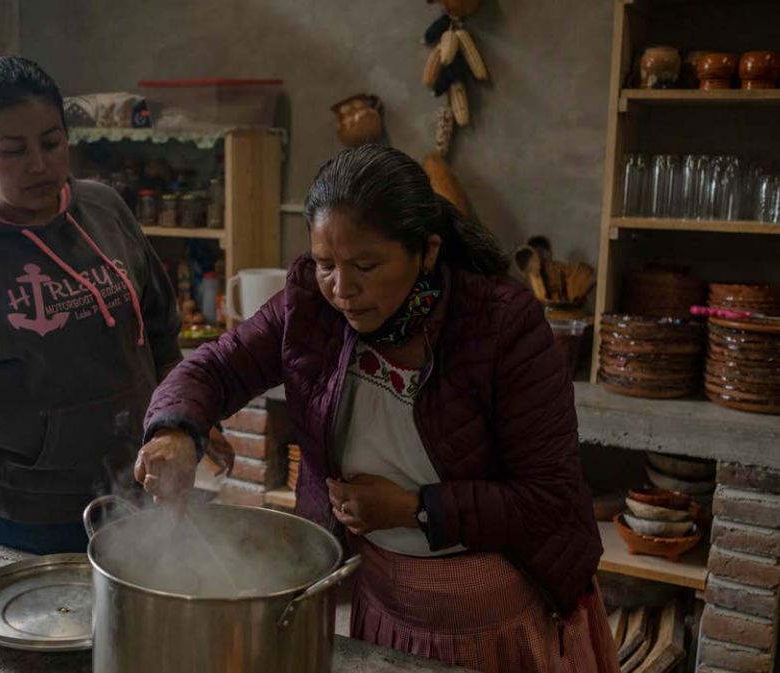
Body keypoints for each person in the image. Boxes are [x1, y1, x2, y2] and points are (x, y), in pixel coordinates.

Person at [135, 146, 620, 671]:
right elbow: (214, 367)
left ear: (427, 251)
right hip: (385, 604)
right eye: (326, 264)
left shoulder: (502, 324)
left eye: (366, 265)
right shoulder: (311, 304)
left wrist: (415, 508)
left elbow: (546, 498)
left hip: (500, 623)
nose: (342, 289)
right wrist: (174, 431)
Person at [0, 56, 191, 572]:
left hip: (139, 487)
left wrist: (180, 422)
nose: (39, 165)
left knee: (143, 637)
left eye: (52, 143)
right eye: (12, 150)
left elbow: (161, 331)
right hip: (28, 515)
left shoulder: (103, 209)